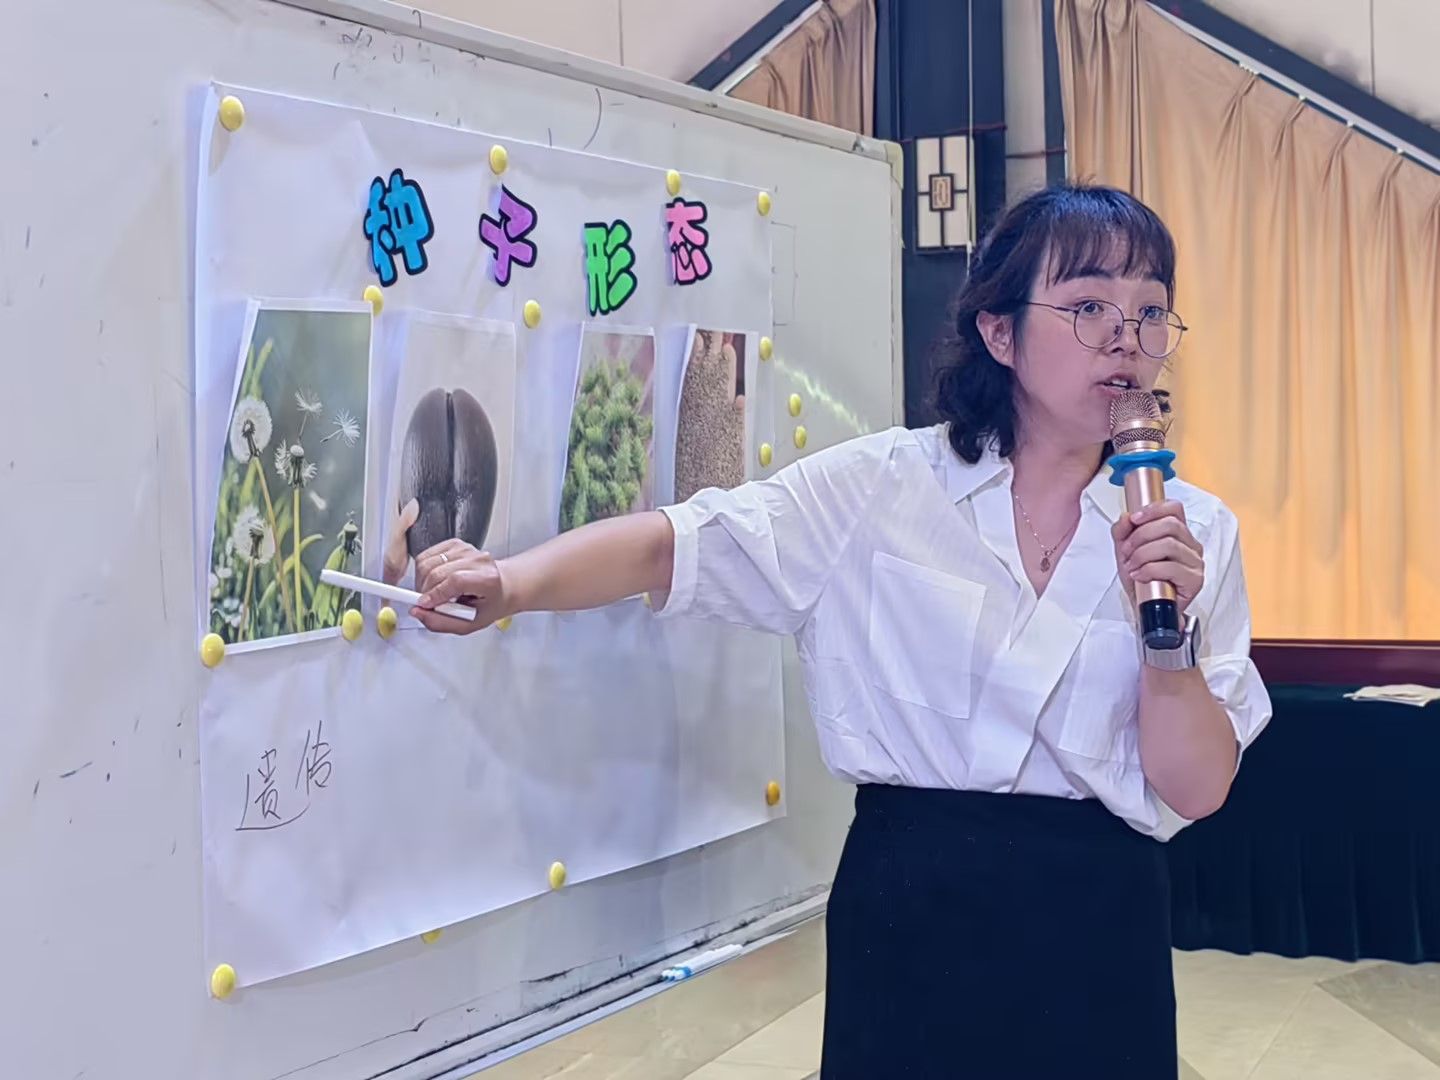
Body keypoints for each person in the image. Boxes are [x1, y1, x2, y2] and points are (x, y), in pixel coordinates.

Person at [406, 182, 1272, 1078]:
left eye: (1150, 312)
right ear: (1000, 333)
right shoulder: (886, 485)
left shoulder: (1193, 531)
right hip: (911, 911)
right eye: (1089, 307)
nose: (1127, 339)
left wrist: (1164, 640)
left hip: (1099, 925)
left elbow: (1199, 788)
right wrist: (511, 583)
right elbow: (675, 545)